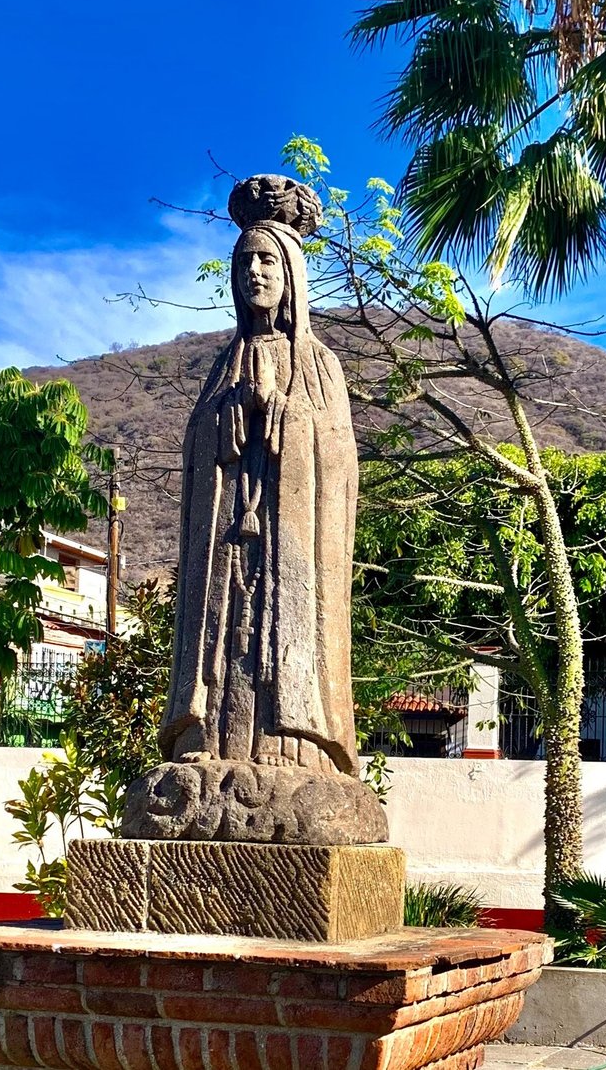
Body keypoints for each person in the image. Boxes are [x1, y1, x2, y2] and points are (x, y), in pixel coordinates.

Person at [158, 178, 360, 778]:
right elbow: (195, 451)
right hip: (229, 536)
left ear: (292, 272)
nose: (255, 273)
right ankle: (208, 733)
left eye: (268, 260)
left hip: (288, 540)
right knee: (220, 629)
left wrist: (287, 417)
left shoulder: (319, 363)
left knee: (284, 625)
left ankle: (293, 734)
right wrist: (227, 417)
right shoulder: (222, 364)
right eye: (244, 261)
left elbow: (341, 464)